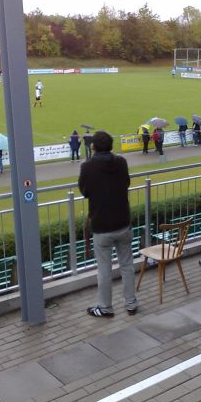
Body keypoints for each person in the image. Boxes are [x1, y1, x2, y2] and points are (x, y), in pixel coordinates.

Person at [78, 130, 137, 317]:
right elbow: (125, 183)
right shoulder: (121, 162)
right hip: (123, 222)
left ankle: (105, 307)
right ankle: (131, 304)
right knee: (127, 265)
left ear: (93, 147)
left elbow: (84, 191)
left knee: (104, 270)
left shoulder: (88, 167)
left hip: (102, 225)